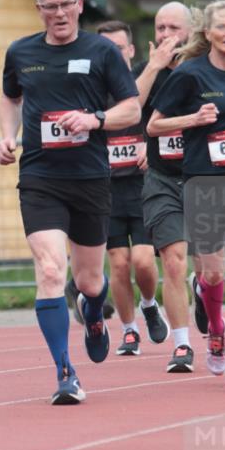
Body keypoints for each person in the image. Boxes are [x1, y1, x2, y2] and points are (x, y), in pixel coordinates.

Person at [0, 0, 141, 405]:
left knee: (90, 280)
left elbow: (132, 109)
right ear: (39, 9)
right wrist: (8, 136)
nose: (59, 13)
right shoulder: (20, 52)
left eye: (66, 4)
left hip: (90, 179)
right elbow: (10, 97)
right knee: (51, 271)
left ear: (80, 5)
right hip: (40, 178)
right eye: (50, 6)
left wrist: (94, 119)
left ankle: (94, 314)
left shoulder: (101, 52)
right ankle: (64, 371)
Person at [147, 0, 225, 385]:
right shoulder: (189, 76)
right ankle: (216, 331)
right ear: (208, 33)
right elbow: (153, 126)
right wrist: (194, 119)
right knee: (213, 275)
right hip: (204, 184)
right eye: (222, 27)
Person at [137, 2, 208, 373]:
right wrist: (152, 67)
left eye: (173, 28)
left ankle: (204, 292)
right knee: (174, 262)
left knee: (209, 270)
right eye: (159, 27)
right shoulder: (150, 72)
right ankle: (182, 346)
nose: (165, 35)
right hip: (162, 180)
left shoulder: (207, 69)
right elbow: (128, 110)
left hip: (204, 180)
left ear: (191, 31)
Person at [93, 19, 169, 356]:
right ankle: (128, 331)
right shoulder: (90, 87)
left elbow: (163, 122)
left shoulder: (147, 83)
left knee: (142, 261)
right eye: (105, 48)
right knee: (119, 263)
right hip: (106, 192)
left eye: (118, 48)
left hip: (142, 190)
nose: (112, 54)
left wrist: (149, 148)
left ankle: (150, 304)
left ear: (131, 50)